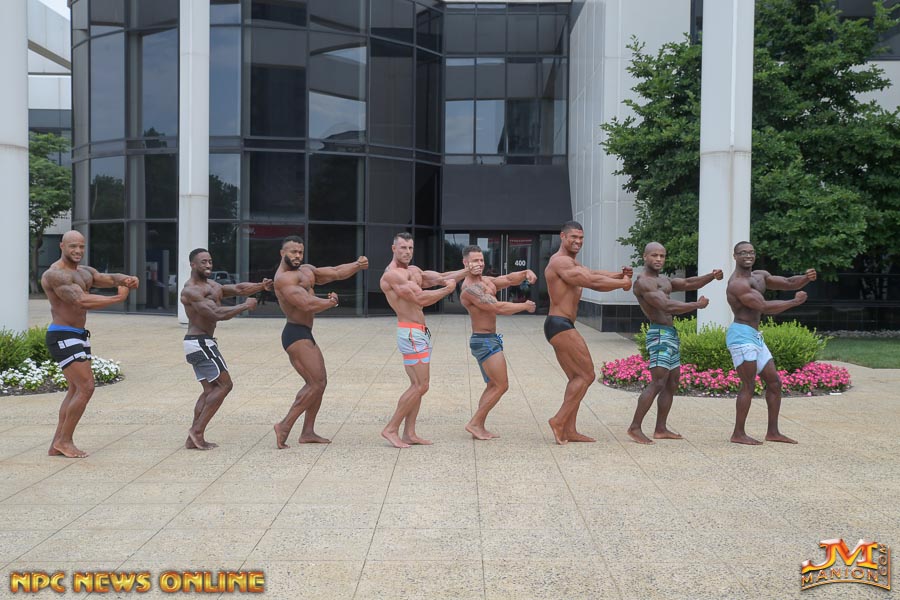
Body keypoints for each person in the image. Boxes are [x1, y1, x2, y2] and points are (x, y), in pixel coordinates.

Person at [40, 230, 139, 458]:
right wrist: (118, 298)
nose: (78, 251)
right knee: (86, 387)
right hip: (62, 335)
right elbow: (80, 300)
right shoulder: (55, 274)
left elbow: (109, 278)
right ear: (62, 246)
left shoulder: (84, 272)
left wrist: (127, 279)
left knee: (75, 389)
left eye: (81, 246)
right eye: (73, 246)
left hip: (79, 335)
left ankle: (57, 443)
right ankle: (65, 441)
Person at [272, 235, 368, 448]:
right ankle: (284, 425)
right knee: (316, 383)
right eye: (293, 252)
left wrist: (357, 265)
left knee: (318, 383)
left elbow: (335, 272)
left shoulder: (306, 270)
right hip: (295, 334)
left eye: (300, 252)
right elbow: (305, 303)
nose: (297, 256)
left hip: (304, 332)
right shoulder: (283, 279)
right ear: (282, 253)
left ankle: (308, 432)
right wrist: (330, 303)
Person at [544, 221, 632, 445]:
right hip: (560, 325)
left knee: (576, 378)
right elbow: (590, 281)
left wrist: (617, 275)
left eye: (581, 238)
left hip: (560, 324)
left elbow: (593, 273)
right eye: (573, 237)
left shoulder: (572, 262)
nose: (578, 241)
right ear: (562, 236)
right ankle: (558, 421)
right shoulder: (560, 262)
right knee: (586, 375)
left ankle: (569, 430)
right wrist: (622, 284)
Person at [627, 242, 722, 444]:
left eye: (662, 256)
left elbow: (688, 283)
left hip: (670, 333)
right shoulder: (643, 282)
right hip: (659, 334)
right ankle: (635, 427)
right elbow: (665, 305)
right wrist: (697, 305)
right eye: (654, 255)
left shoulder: (663, 280)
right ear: (645, 257)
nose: (659, 259)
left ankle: (660, 428)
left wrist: (711, 276)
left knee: (671, 382)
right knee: (658, 382)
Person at [379, 232, 467, 448]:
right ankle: (391, 428)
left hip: (418, 332)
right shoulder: (392, 275)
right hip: (410, 333)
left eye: (410, 248)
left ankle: (409, 433)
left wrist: (468, 270)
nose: (407, 251)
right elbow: (419, 298)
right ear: (393, 249)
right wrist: (447, 290)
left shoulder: (414, 271)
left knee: (417, 385)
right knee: (421, 385)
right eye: (403, 248)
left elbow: (442, 276)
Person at [180, 248, 273, 450]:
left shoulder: (213, 285)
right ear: (192, 265)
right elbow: (215, 314)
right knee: (225, 385)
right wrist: (244, 306)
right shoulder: (191, 290)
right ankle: (197, 431)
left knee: (209, 390)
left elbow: (239, 288)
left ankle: (192, 438)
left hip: (200, 342)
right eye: (203, 262)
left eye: (210, 261)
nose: (208, 265)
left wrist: (260, 286)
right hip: (200, 342)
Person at [726, 241, 815, 445]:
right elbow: (763, 307)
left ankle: (773, 432)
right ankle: (738, 433)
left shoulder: (760, 276)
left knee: (774, 383)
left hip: (755, 336)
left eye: (751, 252)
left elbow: (788, 282)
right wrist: (793, 302)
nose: (748, 256)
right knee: (748, 384)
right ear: (735, 256)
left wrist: (805, 278)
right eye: (743, 253)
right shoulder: (737, 284)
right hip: (741, 335)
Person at [459, 245, 537, 440]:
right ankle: (474, 423)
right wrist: (524, 306)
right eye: (475, 261)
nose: (479, 263)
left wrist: (525, 273)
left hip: (489, 339)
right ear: (465, 263)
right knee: (501, 385)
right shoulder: (470, 289)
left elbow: (509, 279)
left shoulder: (486, 281)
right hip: (484, 341)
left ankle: (479, 425)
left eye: (481, 260)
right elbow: (497, 307)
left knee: (493, 385)